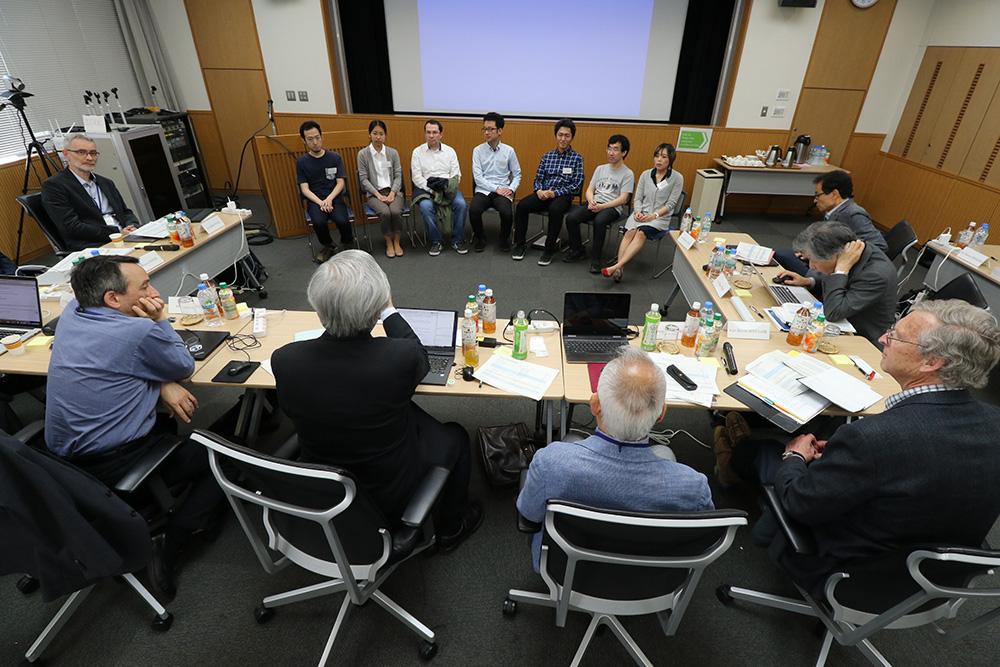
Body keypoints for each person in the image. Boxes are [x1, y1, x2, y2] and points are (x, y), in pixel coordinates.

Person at [716, 299, 1000, 599]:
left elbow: (800, 503)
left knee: (764, 453)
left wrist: (795, 455)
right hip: (932, 583)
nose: (881, 338)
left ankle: (734, 457)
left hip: (848, 577)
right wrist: (848, 459)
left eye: (895, 335)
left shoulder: (873, 437)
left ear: (931, 363)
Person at [271, 250, 482, 551]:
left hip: (322, 493)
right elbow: (420, 356)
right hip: (389, 499)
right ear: (375, 308)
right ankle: (450, 529)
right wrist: (389, 310)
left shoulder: (285, 360)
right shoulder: (398, 357)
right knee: (457, 436)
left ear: (318, 307)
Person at [44, 255, 224, 599]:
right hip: (114, 464)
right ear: (113, 299)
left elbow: (111, 360)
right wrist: (161, 321)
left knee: (165, 420)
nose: (154, 292)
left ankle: (163, 495)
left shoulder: (71, 313)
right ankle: (172, 541)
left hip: (62, 465)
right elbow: (183, 365)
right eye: (144, 287)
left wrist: (159, 383)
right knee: (224, 456)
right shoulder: (137, 330)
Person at [517, 346, 713, 571]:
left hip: (564, 571)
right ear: (661, 413)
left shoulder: (550, 462)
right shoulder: (693, 486)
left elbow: (529, 514)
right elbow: (700, 539)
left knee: (572, 439)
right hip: (650, 580)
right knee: (666, 454)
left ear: (595, 405)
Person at [775, 220, 896, 346]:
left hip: (862, 340)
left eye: (813, 260)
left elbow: (834, 312)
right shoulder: (851, 250)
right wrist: (809, 281)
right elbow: (848, 282)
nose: (811, 267)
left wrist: (841, 270)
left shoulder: (876, 275)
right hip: (841, 323)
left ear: (837, 257)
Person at [41, 132, 140, 251]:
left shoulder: (106, 183)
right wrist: (117, 233)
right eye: (81, 152)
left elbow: (125, 212)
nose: (89, 158)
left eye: (93, 153)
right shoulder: (54, 186)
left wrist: (132, 227)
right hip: (94, 245)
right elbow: (71, 227)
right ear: (66, 154)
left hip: (125, 237)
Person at [776, 170, 887, 276]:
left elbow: (880, 246)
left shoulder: (853, 214)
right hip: (824, 261)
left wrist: (842, 259)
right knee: (784, 256)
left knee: (783, 255)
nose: (815, 200)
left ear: (834, 194)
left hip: (831, 270)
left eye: (818, 195)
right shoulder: (835, 211)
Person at [601, 143, 683, 283]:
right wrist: (637, 211)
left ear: (670, 160)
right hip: (641, 213)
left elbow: (671, 204)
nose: (659, 160)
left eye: (663, 157)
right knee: (629, 233)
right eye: (657, 156)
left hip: (659, 218)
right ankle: (619, 269)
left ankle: (618, 267)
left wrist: (654, 215)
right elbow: (637, 198)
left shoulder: (677, 178)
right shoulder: (646, 175)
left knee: (640, 232)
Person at [511, 118, 584, 264]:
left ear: (572, 138)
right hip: (543, 194)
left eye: (567, 136)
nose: (563, 139)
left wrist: (555, 193)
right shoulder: (547, 156)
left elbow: (576, 185)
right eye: (560, 135)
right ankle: (520, 245)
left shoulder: (577, 159)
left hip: (562, 196)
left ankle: (548, 250)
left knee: (555, 210)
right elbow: (538, 178)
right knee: (522, 205)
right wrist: (538, 191)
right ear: (556, 136)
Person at [563, 135, 635, 274]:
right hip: (595, 202)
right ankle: (578, 250)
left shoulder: (628, 173)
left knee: (599, 221)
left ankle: (595, 258)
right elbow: (590, 189)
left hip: (612, 207)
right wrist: (591, 200)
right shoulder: (600, 168)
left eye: (615, 149)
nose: (610, 153)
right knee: (571, 218)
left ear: (624, 153)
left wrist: (602, 207)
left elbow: (623, 199)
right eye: (609, 149)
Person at [297, 121, 353, 263]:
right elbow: (304, 189)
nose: (315, 142)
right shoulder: (302, 162)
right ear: (304, 141)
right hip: (316, 200)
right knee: (318, 221)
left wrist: (329, 199)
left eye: (317, 137)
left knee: (342, 220)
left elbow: (340, 182)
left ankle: (347, 243)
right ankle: (329, 245)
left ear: (322, 137)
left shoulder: (335, 158)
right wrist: (321, 202)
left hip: (334, 198)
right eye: (310, 139)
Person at [411, 120, 468, 256]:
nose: (431, 136)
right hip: (426, 189)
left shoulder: (450, 151)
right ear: (425, 134)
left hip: (447, 189)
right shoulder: (417, 152)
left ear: (441, 134)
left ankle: (458, 239)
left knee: (461, 204)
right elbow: (417, 177)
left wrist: (444, 189)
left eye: (435, 132)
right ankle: (437, 241)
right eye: (428, 132)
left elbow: (456, 175)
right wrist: (432, 190)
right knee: (425, 207)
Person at [469, 112, 521, 252]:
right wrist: (495, 188)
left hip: (503, 190)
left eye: (491, 129)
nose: (487, 132)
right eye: (485, 129)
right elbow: (478, 177)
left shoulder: (509, 151)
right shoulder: (478, 151)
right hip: (484, 189)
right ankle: (481, 237)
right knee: (473, 210)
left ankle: (504, 238)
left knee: (507, 213)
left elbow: (517, 174)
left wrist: (511, 189)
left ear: (500, 131)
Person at [357, 120, 406, 258]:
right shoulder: (363, 154)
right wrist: (378, 195)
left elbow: (398, 176)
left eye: (381, 134)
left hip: (393, 192)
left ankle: (397, 242)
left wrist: (392, 193)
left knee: (395, 211)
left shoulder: (392, 153)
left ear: (385, 135)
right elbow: (363, 179)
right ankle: (388, 242)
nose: (378, 137)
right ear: (370, 135)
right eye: (375, 133)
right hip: (374, 194)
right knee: (385, 213)